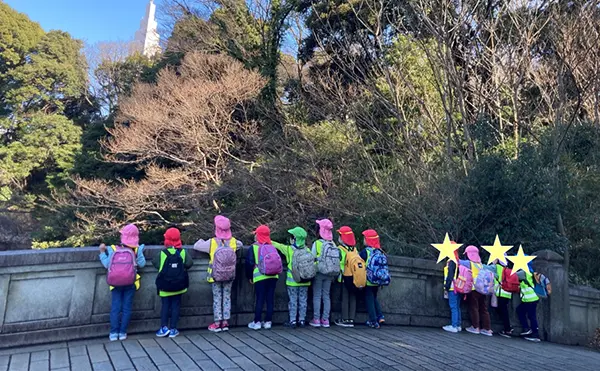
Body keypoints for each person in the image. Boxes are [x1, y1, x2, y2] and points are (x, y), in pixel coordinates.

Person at [193, 215, 243, 333]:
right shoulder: (234, 242)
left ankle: (217, 323)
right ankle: (225, 322)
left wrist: (201, 240)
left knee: (217, 298)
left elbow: (196, 246)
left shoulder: (212, 243)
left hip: (215, 276)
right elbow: (241, 245)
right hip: (229, 275)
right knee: (226, 297)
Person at [99, 224, 146, 341]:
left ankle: (113, 333)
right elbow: (142, 264)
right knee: (126, 307)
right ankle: (123, 332)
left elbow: (106, 264)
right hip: (131, 282)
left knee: (115, 307)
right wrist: (140, 250)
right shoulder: (136, 249)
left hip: (115, 283)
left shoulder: (113, 249)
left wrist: (101, 252)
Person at [153, 227, 193, 338]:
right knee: (176, 306)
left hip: (165, 286)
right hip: (179, 285)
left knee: (165, 306)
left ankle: (163, 327)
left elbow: (155, 263)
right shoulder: (183, 252)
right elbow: (189, 263)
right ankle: (173, 328)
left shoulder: (163, 253)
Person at [272, 227, 312, 328]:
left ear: (294, 239)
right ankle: (302, 320)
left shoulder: (289, 249)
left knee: (293, 300)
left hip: (292, 281)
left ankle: (293, 320)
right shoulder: (307, 250)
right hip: (305, 280)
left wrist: (267, 239)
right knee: (303, 300)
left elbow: (278, 245)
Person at [246, 225, 279, 330]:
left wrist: (249, 276)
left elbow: (249, 263)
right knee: (270, 299)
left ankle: (257, 321)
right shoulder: (272, 246)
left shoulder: (254, 247)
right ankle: (268, 321)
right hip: (273, 275)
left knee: (259, 299)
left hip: (260, 276)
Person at [310, 219, 338, 328]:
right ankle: (325, 319)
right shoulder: (333, 244)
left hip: (319, 272)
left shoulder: (317, 243)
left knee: (317, 295)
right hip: (330, 272)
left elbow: (312, 257)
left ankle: (316, 319)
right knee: (326, 295)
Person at [462, 245, 493, 336]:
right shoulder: (481, 265)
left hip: (473, 288)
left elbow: (457, 262)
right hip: (483, 289)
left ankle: (475, 327)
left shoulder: (468, 263)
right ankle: (487, 328)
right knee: (483, 309)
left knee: (474, 308)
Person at [359, 229, 385, 329]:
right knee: (374, 298)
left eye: (364, 238)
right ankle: (380, 316)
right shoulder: (380, 251)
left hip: (368, 279)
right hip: (378, 279)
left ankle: (373, 320)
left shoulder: (365, 252)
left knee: (369, 299)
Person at [335, 226, 359, 327]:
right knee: (353, 297)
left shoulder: (340, 249)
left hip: (344, 277)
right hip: (354, 277)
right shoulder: (354, 249)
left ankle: (344, 319)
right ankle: (351, 319)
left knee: (345, 298)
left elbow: (339, 262)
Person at [517, 265, 541, 342]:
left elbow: (514, 275)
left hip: (530, 299)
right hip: (531, 298)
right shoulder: (530, 272)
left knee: (531, 316)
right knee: (520, 310)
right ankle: (528, 329)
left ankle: (535, 334)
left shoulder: (523, 272)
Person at [442, 247, 461, 333]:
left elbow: (450, 276)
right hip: (459, 287)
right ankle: (458, 325)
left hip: (452, 287)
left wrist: (446, 287)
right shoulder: (458, 261)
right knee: (457, 306)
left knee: (453, 306)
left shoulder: (451, 261)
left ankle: (454, 325)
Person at [494, 258, 514, 338]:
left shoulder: (497, 267)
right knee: (504, 310)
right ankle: (508, 327)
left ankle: (507, 329)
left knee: (502, 310)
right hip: (508, 292)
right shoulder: (508, 269)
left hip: (501, 292)